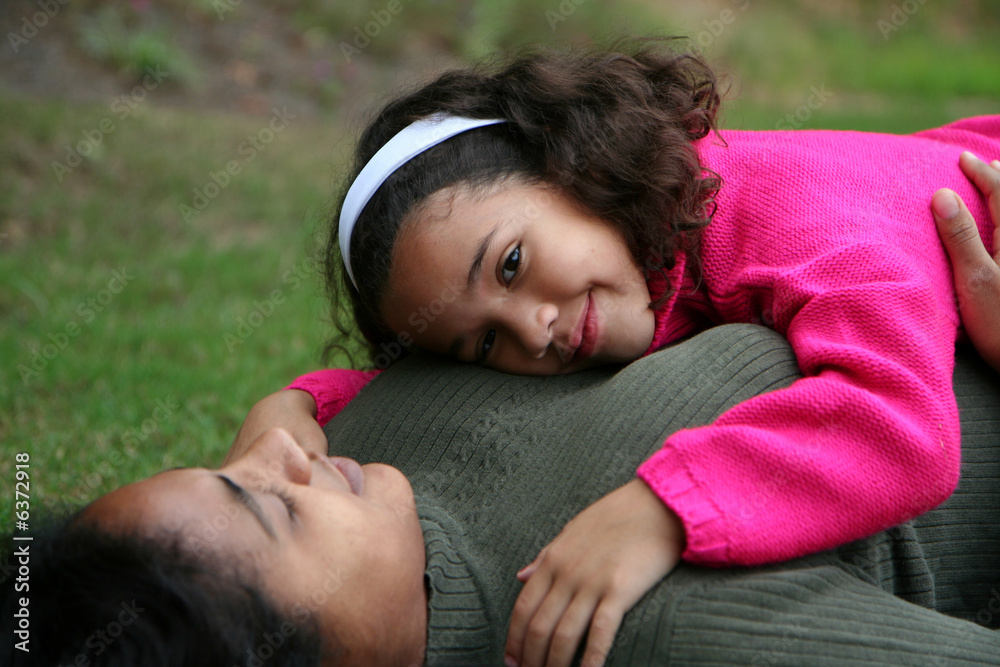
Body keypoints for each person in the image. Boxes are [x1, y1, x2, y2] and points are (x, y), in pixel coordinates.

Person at [3, 164, 1000, 667]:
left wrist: (300, 400)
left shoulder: (355, 463)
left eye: (230, 467)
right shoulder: (625, 628)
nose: (277, 454)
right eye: (274, 510)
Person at [226, 40, 1000, 666]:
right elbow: (412, 382)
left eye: (511, 264)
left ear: (573, 163)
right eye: (485, 340)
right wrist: (302, 404)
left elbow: (900, 427)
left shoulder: (802, 218)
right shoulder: (640, 259)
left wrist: (663, 508)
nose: (533, 329)